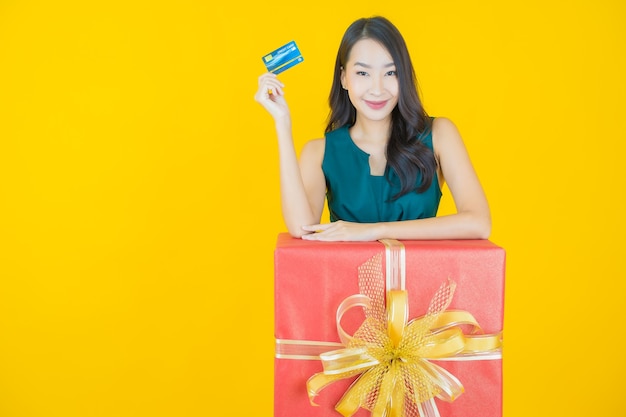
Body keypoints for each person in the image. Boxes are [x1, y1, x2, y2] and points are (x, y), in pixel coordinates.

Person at [255, 16, 490, 242]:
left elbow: (479, 223)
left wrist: (372, 231)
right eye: (363, 73)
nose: (377, 89)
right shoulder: (320, 151)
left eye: (390, 73)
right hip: (345, 281)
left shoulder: (439, 134)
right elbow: (301, 227)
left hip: (421, 280)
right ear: (344, 78)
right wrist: (282, 123)